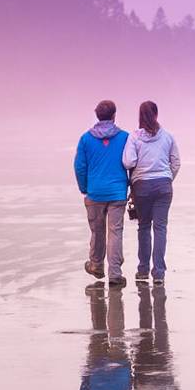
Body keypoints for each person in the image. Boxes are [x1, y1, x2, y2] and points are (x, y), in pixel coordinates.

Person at [122, 101, 180, 285]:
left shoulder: (134, 137)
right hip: (164, 186)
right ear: (156, 114)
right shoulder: (168, 136)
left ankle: (143, 270)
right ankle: (159, 274)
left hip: (142, 187)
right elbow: (176, 162)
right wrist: (167, 178)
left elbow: (128, 162)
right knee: (160, 228)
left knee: (144, 227)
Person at [74, 100, 130, 287]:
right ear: (114, 116)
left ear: (97, 115)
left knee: (97, 231)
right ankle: (115, 273)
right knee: (115, 232)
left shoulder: (85, 139)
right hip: (117, 192)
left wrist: (84, 187)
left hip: (95, 192)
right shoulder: (124, 138)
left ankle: (97, 265)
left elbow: (80, 166)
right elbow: (132, 163)